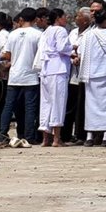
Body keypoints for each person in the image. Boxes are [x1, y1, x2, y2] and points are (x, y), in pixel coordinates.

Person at [0, 8, 43, 146]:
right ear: (35, 19)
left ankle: (2, 133)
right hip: (31, 75)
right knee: (30, 107)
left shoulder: (13, 34)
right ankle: (29, 136)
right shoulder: (38, 35)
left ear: (21, 19)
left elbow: (7, 55)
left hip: (15, 75)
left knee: (8, 106)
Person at [78, 9, 106, 146]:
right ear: (105, 20)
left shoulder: (87, 35)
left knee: (91, 105)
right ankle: (105, 136)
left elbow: (80, 52)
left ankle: (90, 135)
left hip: (90, 74)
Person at [35, 8, 73, 147]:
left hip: (46, 70)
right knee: (58, 103)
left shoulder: (46, 31)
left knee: (46, 103)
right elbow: (62, 47)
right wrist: (72, 49)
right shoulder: (60, 30)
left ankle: (46, 138)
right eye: (64, 16)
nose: (66, 18)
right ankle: (56, 138)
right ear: (58, 18)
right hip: (57, 69)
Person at [63, 9, 91, 144]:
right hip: (72, 74)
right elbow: (66, 49)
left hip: (84, 74)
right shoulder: (73, 32)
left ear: (85, 20)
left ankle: (80, 135)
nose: (76, 17)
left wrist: (80, 59)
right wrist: (72, 57)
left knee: (81, 107)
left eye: (79, 16)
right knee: (69, 106)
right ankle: (65, 134)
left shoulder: (90, 33)